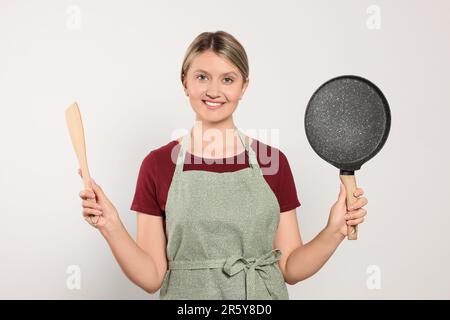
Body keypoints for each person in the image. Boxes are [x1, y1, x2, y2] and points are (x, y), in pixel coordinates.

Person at [78, 31, 368, 300]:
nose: (214, 91)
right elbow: (153, 276)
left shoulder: (273, 163)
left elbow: (290, 266)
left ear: (244, 87)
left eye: (228, 79)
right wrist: (110, 225)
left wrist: (335, 230)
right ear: (185, 82)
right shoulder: (157, 165)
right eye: (202, 77)